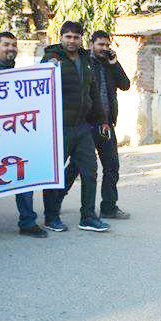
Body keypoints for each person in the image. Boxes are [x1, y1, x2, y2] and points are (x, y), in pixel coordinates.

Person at [41, 21, 110, 233]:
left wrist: (102, 120)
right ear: (60, 37)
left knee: (90, 171)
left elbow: (93, 93)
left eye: (76, 37)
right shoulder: (51, 59)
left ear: (81, 39)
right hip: (58, 127)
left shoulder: (86, 61)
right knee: (54, 174)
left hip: (83, 127)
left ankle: (88, 216)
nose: (72, 41)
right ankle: (51, 216)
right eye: (68, 37)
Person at [0, 31, 49, 237]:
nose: (10, 48)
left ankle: (27, 222)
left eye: (13, 45)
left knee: (23, 177)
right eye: (6, 45)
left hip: (16, 136)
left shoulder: (22, 77)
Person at [62, 31, 131, 220]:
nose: (105, 49)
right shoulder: (83, 62)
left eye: (107, 45)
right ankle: (56, 199)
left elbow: (125, 85)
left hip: (107, 125)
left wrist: (114, 64)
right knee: (75, 167)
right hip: (86, 126)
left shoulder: (109, 64)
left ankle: (109, 207)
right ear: (91, 44)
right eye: (101, 45)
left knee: (111, 167)